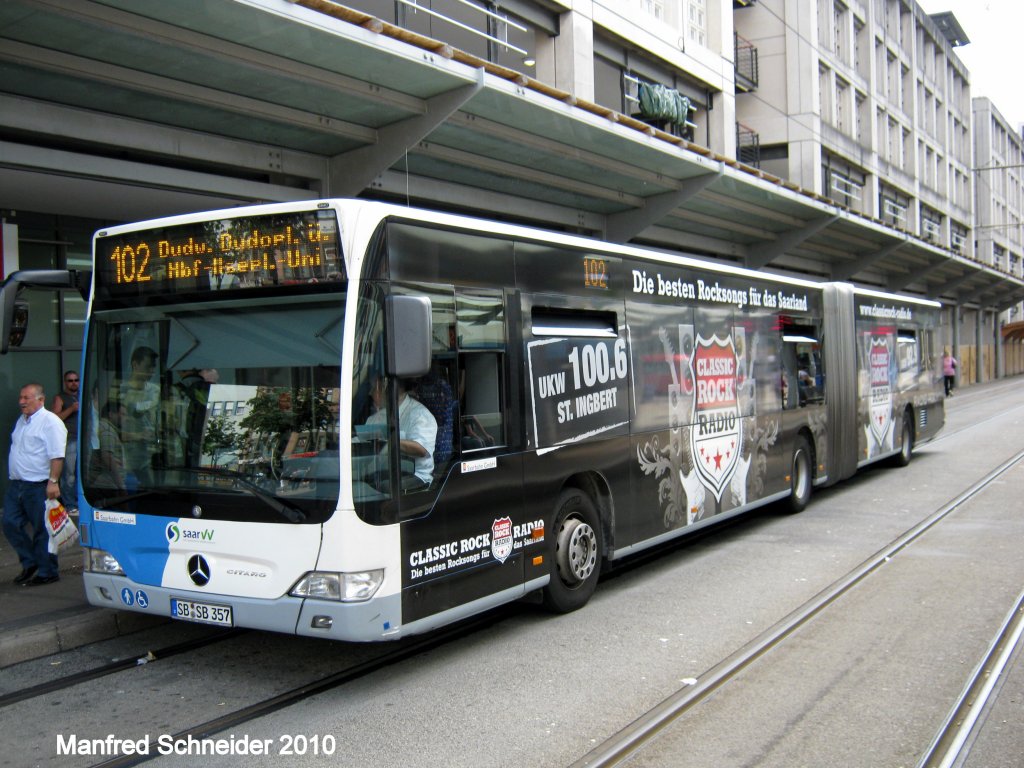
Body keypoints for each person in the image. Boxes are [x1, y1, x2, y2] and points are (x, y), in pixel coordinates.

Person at [3, 383, 67, 586]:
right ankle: (30, 562)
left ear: (41, 399)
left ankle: (48, 571)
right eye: (21, 397)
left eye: (26, 398)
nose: (21, 401)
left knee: (43, 531)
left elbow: (57, 455)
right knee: (9, 523)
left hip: (38, 486)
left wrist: (53, 482)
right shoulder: (22, 421)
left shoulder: (51, 422)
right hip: (17, 485)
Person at [365, 376, 437, 491]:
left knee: (385, 488)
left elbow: (421, 449)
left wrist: (389, 442)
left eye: (375, 388)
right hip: (378, 472)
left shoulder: (420, 414)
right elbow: (361, 441)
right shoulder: (375, 418)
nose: (370, 393)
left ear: (391, 388)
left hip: (413, 475)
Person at [51, 370, 80, 511]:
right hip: (69, 440)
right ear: (65, 382)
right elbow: (55, 419)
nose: (74, 383)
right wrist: (71, 409)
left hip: (84, 441)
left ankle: (80, 502)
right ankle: (69, 504)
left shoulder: (82, 394)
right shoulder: (60, 397)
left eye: (76, 380)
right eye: (70, 380)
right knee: (69, 475)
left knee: (81, 474)